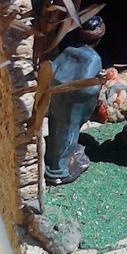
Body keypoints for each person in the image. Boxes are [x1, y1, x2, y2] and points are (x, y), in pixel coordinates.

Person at [44, 15, 106, 186]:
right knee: (68, 134)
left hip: (58, 97)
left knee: (56, 129)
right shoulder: (93, 58)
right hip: (73, 103)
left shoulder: (69, 50)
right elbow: (86, 87)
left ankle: (52, 158)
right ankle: (58, 169)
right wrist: (99, 83)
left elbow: (54, 69)